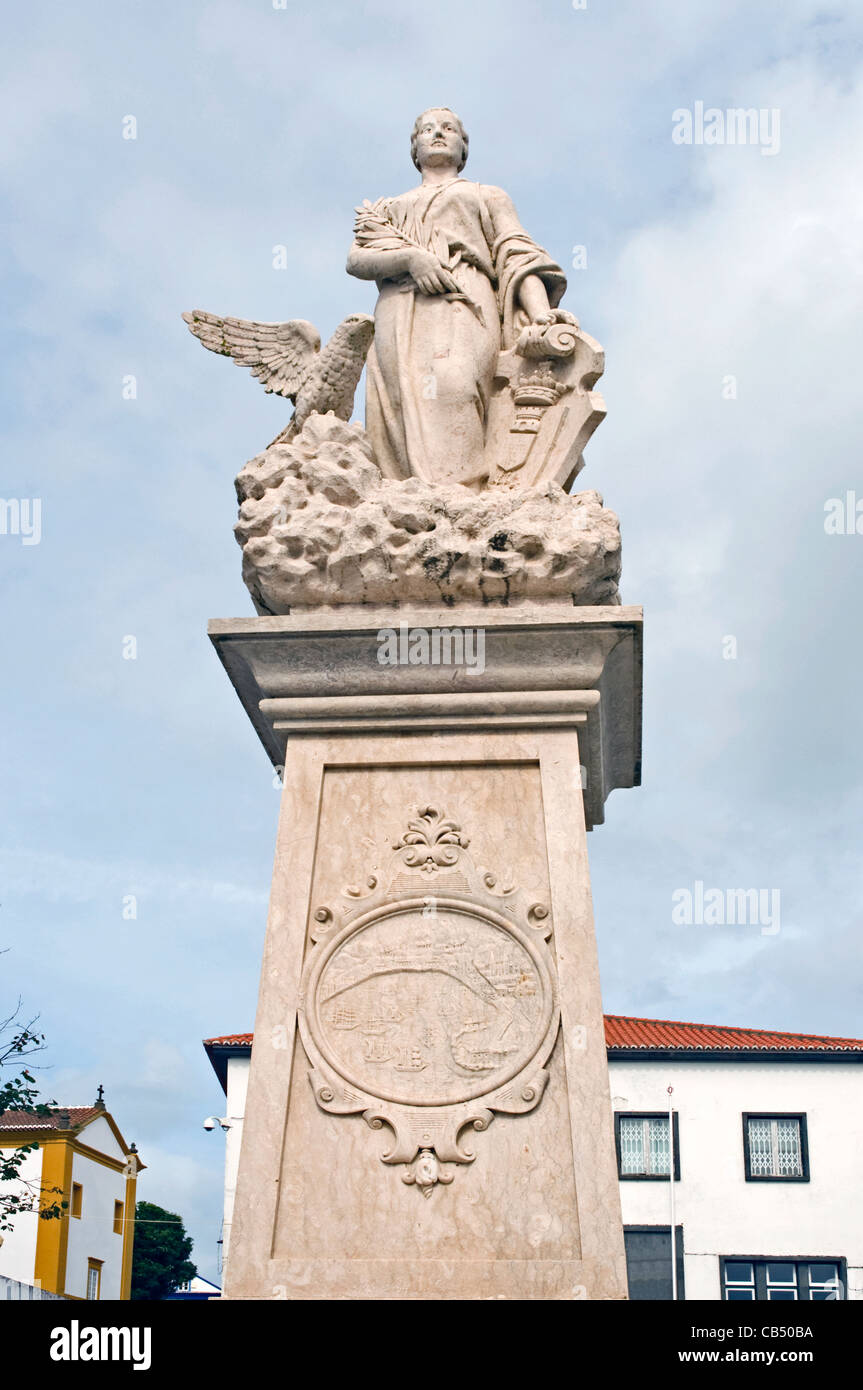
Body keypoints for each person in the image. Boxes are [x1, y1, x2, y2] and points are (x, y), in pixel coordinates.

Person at [346, 107, 574, 488]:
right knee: (403, 398)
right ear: (414, 149)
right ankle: (408, 494)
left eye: (449, 129)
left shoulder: (485, 195)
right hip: (401, 306)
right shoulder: (387, 209)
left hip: (465, 297)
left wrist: (540, 314)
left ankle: (463, 493)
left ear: (463, 148)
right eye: (427, 130)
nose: (438, 134)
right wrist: (410, 259)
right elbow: (357, 259)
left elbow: (517, 254)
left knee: (455, 384)